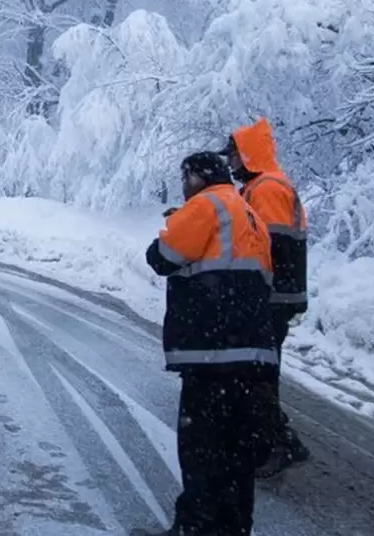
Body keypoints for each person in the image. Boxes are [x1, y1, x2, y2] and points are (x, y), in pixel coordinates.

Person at [132, 151, 278, 536]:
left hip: (213, 355)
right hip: (253, 356)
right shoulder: (250, 215)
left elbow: (162, 257)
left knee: (201, 450)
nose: (183, 185)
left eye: (185, 177)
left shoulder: (206, 205)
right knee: (236, 456)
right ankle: (232, 529)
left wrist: (175, 223)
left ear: (196, 177)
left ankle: (194, 529)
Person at [222, 118, 311, 479]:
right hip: (272, 297)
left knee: (257, 374)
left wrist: (253, 293)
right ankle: (267, 440)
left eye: (232, 155)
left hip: (272, 298)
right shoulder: (258, 187)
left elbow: (268, 247)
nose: (229, 163)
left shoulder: (268, 189)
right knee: (255, 371)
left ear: (248, 155)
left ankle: (280, 443)